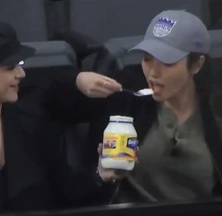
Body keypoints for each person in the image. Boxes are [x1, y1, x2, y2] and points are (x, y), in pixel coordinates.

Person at [0, 21, 114, 215]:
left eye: (20, 65)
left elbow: (66, 196)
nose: (21, 73)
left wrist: (100, 175)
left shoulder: (32, 121)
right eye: (10, 67)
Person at [44, 10, 222, 202]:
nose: (153, 72)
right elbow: (50, 100)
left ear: (196, 65)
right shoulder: (124, 99)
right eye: (147, 59)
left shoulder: (215, 113)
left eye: (167, 62)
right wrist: (78, 79)